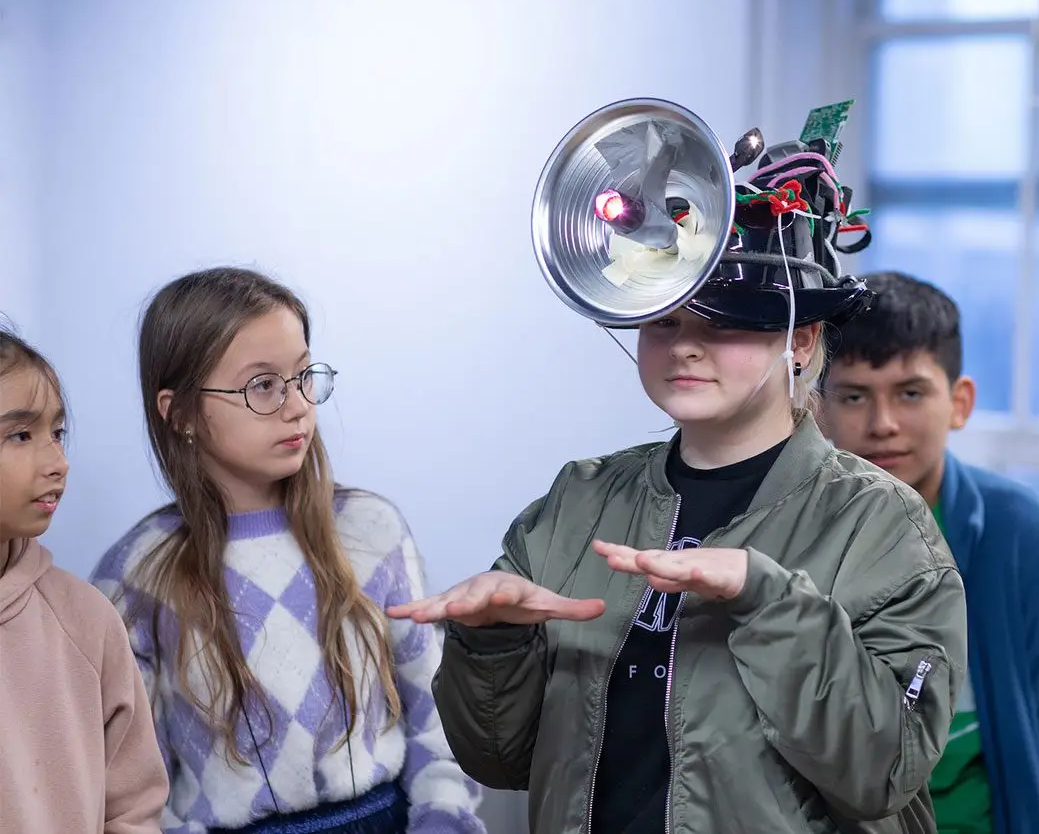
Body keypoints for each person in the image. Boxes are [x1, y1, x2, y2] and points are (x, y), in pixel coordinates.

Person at [391, 109, 969, 833]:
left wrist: (767, 598)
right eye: (665, 319)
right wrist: (495, 640)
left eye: (724, 320)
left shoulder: (882, 526)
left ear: (802, 338)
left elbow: (886, 768)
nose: (686, 347)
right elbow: (501, 761)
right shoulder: (579, 500)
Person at [90, 268, 485, 834]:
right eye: (263, 385)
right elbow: (132, 790)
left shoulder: (372, 532)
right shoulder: (137, 576)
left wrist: (443, 819)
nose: (298, 405)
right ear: (178, 414)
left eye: (303, 376)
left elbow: (435, 715)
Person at [820, 272, 1039, 834]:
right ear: (817, 408)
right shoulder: (795, 536)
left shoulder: (1019, 531)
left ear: (960, 402)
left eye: (911, 393)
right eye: (854, 396)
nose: (884, 425)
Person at [0, 326, 168, 833]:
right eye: (20, 435)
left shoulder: (87, 621)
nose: (58, 463)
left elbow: (134, 810)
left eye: (58, 433)